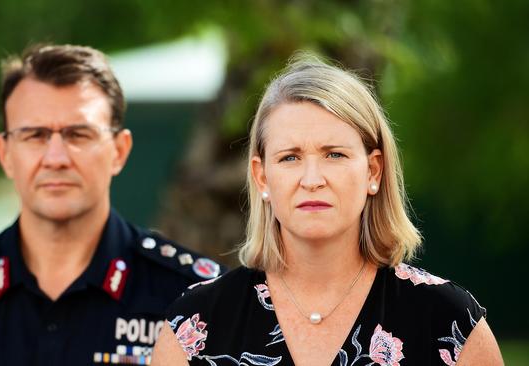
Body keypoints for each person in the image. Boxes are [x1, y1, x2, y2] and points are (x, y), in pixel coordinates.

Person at [0, 44, 223, 366]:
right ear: (5, 154)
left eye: (79, 134)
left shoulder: (191, 296)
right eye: (34, 135)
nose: (56, 158)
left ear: (119, 150)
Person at [151, 54, 503, 365]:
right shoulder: (195, 325)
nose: (312, 179)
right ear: (262, 177)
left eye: (334, 154)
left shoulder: (447, 321)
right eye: (290, 157)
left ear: (373, 171)